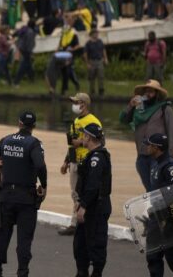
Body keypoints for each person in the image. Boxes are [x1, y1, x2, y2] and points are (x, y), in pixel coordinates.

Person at [0, 111, 47, 277]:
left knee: (3, 234)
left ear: (19, 123)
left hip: (6, 194)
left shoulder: (7, 140)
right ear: (34, 126)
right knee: (24, 239)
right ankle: (22, 272)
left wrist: (1, 162)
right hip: (26, 197)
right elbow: (40, 165)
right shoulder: (34, 143)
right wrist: (43, 184)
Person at [143, 133, 173, 277]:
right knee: (153, 256)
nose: (146, 147)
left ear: (156, 148)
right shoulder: (155, 162)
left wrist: (164, 218)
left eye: (149, 145)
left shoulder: (171, 167)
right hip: (155, 217)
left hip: (168, 219)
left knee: (172, 257)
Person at [119, 80, 173, 190]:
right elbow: (123, 120)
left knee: (159, 189)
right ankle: (154, 206)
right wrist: (130, 106)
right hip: (142, 156)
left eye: (151, 91)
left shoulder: (165, 108)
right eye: (146, 91)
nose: (148, 94)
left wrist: (169, 156)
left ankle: (160, 207)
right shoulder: (138, 109)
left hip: (158, 157)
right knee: (149, 189)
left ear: (157, 94)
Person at [58, 93, 102, 236]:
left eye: (76, 102)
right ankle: (76, 221)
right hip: (75, 162)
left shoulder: (93, 121)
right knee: (75, 193)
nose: (74, 105)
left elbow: (101, 142)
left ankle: (78, 222)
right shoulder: (76, 121)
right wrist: (66, 161)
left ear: (84, 104)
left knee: (85, 192)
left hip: (88, 162)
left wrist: (82, 142)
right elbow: (72, 144)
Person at [73, 124, 112, 277]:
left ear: (89, 137)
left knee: (96, 245)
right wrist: (79, 201)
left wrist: (83, 206)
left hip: (96, 207)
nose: (82, 137)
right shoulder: (92, 155)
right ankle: (81, 272)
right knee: (80, 245)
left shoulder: (97, 158)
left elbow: (93, 186)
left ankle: (96, 273)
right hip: (88, 205)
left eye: (84, 135)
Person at [83, 29, 108, 96]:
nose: (97, 35)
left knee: (101, 76)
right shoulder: (88, 43)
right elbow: (85, 54)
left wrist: (105, 58)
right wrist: (87, 63)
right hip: (92, 61)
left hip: (99, 61)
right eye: (95, 33)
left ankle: (101, 90)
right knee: (91, 77)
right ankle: (92, 91)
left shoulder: (100, 41)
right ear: (92, 34)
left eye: (97, 33)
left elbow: (103, 50)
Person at [13, 20, 36, 86]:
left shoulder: (24, 28)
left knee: (29, 65)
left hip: (21, 47)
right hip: (26, 50)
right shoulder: (30, 32)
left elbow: (16, 33)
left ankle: (32, 79)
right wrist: (30, 53)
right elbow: (29, 43)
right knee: (23, 66)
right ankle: (16, 81)